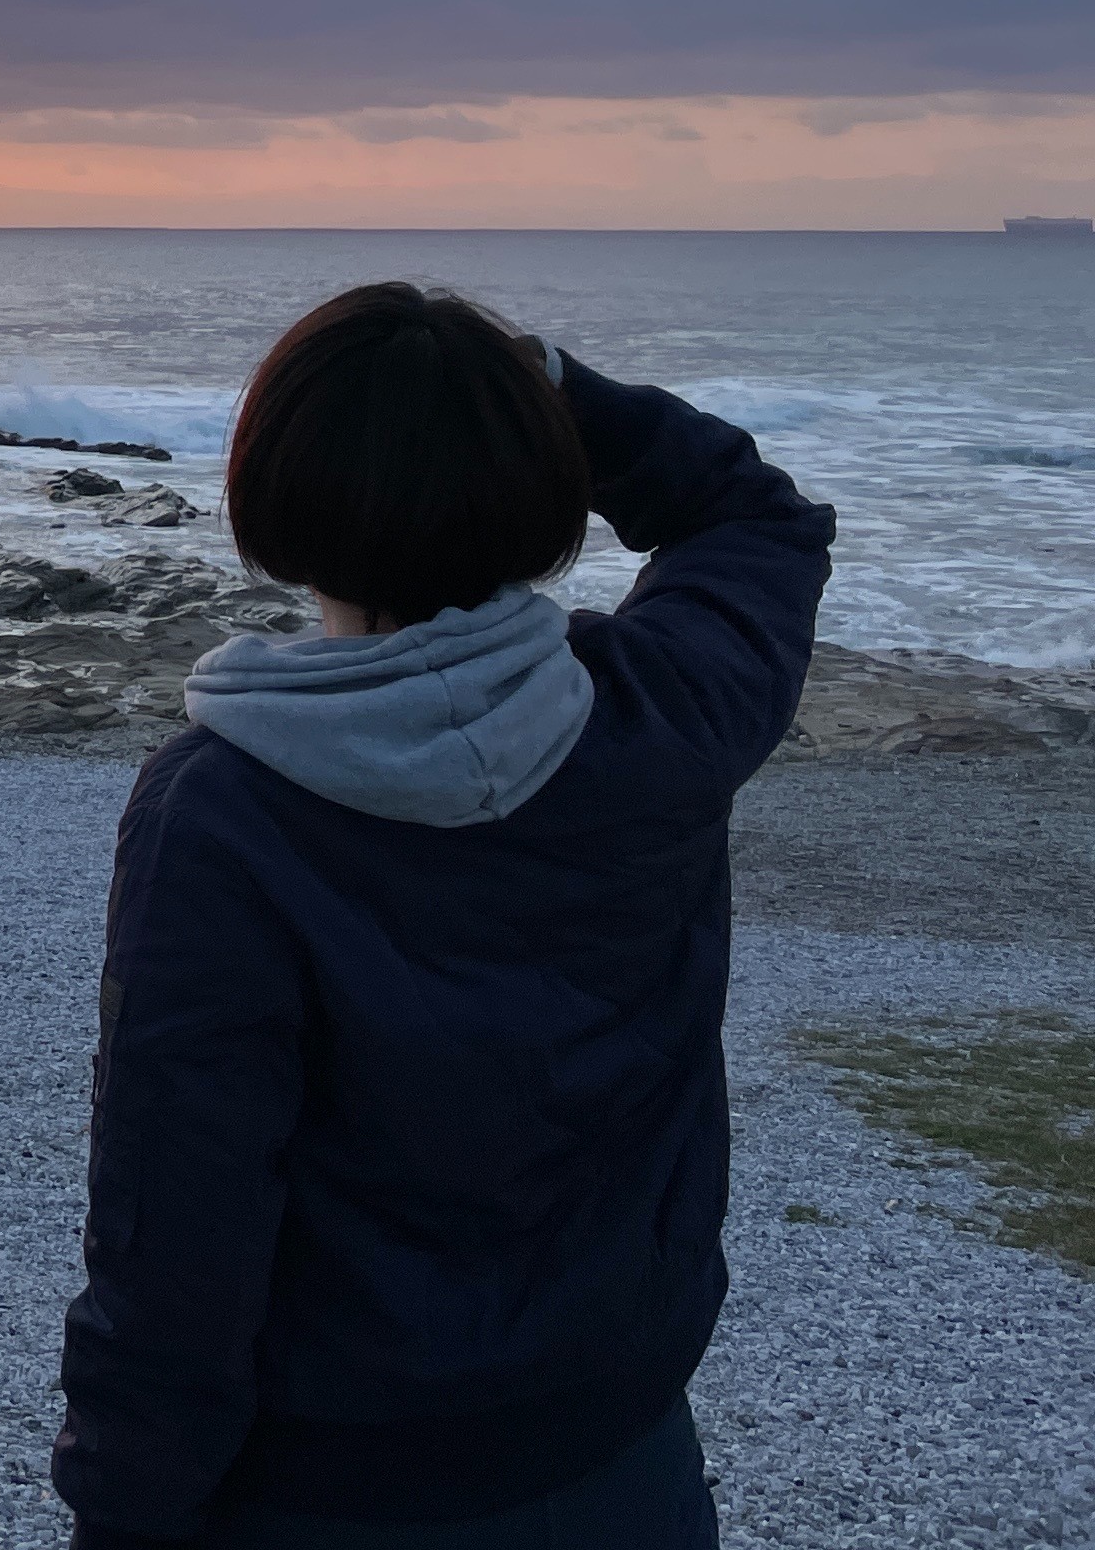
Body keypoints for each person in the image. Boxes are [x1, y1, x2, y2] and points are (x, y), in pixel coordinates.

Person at [54, 284, 833, 1549]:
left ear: (275, 506)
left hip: (333, 1490)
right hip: (617, 1443)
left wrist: (124, 1511)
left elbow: (176, 1226)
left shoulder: (224, 811)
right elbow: (754, 514)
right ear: (539, 484)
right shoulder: (661, 715)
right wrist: (552, 385)